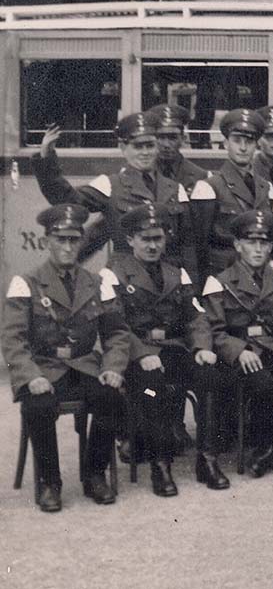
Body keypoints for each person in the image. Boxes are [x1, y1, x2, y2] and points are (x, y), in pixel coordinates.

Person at [2, 204, 130, 511]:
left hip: (84, 365)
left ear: (81, 242)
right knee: (39, 404)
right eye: (61, 239)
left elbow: (116, 333)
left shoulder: (98, 283)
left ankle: (95, 474)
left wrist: (113, 367)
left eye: (74, 240)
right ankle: (50, 482)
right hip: (44, 368)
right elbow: (12, 339)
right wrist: (31, 376)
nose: (68, 247)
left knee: (111, 396)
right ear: (47, 241)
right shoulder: (26, 283)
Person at [112, 203, 232, 495]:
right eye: (145, 239)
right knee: (154, 389)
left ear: (165, 239)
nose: (152, 246)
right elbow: (115, 326)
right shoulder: (115, 274)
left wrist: (201, 347)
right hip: (137, 356)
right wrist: (142, 354)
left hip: (172, 349)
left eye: (158, 238)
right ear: (130, 240)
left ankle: (207, 459)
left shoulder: (177, 273)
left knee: (209, 376)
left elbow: (196, 316)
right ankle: (161, 464)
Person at [198, 210, 273, 478]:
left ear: (270, 247)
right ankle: (265, 445)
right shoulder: (219, 282)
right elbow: (214, 331)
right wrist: (239, 350)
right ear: (237, 245)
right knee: (265, 385)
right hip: (241, 353)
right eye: (251, 242)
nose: (257, 249)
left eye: (263, 243)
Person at [32, 114, 198, 277]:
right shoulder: (110, 185)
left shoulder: (175, 189)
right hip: (124, 278)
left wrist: (191, 285)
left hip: (167, 280)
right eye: (138, 147)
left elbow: (188, 246)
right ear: (123, 149)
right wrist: (46, 158)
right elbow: (66, 199)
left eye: (150, 146)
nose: (145, 152)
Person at [190, 108, 273, 277]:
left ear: (256, 145)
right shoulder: (209, 187)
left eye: (249, 141)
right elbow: (199, 245)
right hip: (223, 274)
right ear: (226, 143)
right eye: (237, 141)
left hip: (261, 274)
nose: (243, 148)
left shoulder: (266, 188)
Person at [146, 103, 210, 189]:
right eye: (160, 137)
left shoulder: (200, 176)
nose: (166, 144)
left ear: (183, 139)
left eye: (173, 138)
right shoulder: (141, 173)